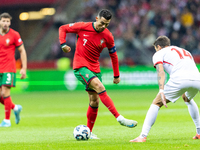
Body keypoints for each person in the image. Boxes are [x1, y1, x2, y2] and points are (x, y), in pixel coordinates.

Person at [59, 9, 137, 139]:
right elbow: (62, 28)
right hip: (81, 66)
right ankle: (120, 118)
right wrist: (63, 44)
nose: (103, 26)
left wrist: (116, 75)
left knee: (94, 101)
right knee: (100, 87)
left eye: (106, 24)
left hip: (95, 68)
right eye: (102, 23)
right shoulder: (83, 26)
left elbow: (114, 55)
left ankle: (88, 132)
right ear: (96, 18)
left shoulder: (108, 36)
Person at [130, 36, 200, 142]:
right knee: (187, 98)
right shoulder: (184, 50)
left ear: (158, 46)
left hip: (179, 79)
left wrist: (161, 90)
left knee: (156, 103)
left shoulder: (159, 53)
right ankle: (199, 133)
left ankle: (142, 136)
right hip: (197, 79)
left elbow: (160, 71)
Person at [0, 13, 27, 127]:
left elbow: (22, 51)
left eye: (8, 21)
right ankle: (15, 108)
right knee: (1, 95)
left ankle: (7, 120)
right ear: (0, 22)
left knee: (5, 92)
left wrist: (23, 68)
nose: (6, 23)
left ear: (10, 23)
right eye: (4, 21)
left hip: (9, 67)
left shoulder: (14, 35)